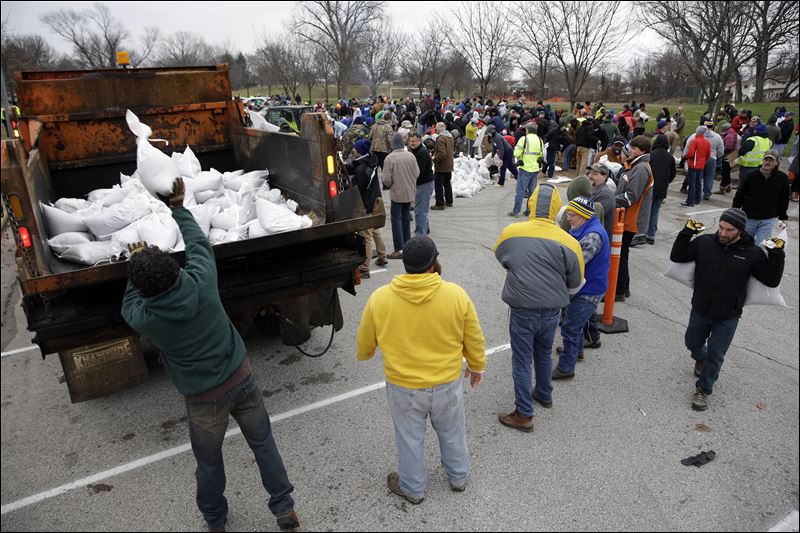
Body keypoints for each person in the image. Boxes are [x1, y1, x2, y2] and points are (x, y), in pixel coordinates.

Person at [121, 179, 300, 532]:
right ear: (176, 270)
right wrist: (178, 207)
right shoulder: (202, 280)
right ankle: (284, 509)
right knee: (263, 444)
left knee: (209, 462)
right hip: (241, 376)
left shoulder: (147, 318)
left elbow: (129, 305)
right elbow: (199, 243)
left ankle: (216, 520)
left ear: (144, 290)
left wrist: (135, 264)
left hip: (204, 399)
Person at [356, 236, 486, 504]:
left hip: (404, 387)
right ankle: (459, 478)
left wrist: (370, 352)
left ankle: (413, 489)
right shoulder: (455, 295)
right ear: (433, 264)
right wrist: (476, 366)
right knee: (453, 432)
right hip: (448, 384)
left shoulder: (380, 298)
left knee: (409, 439)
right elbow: (473, 337)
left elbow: (364, 347)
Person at [670, 209, 785, 411]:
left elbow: (771, 280)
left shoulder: (753, 253)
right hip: (700, 307)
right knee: (692, 342)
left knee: (716, 354)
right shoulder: (705, 242)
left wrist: (777, 254)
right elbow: (677, 256)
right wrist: (686, 233)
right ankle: (700, 358)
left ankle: (703, 390)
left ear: (740, 230)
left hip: (728, 315)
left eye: (729, 230)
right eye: (721, 228)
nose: (723, 233)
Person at [494, 183, 584, 432]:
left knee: (522, 359)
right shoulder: (569, 241)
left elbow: (501, 256)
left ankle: (524, 413)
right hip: (553, 309)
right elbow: (575, 283)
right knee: (543, 353)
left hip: (522, 308)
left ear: (531, 203)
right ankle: (544, 393)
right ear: (557, 208)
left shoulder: (512, 232)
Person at [553, 197, 610, 379]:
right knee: (576, 321)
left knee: (570, 327)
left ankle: (566, 368)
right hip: (585, 285)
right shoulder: (581, 227)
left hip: (589, 289)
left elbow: (577, 263)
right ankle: (577, 351)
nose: (568, 219)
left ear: (583, 216)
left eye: (571, 215)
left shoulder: (593, 236)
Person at [615, 135, 654, 302]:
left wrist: (610, 200)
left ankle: (619, 291)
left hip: (630, 219)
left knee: (620, 255)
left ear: (642, 151)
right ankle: (624, 287)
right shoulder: (635, 166)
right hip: (627, 217)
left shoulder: (641, 168)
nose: (630, 150)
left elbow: (631, 196)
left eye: (634, 148)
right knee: (622, 254)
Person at [732, 150, 790, 245]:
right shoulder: (750, 175)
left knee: (762, 245)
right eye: (766, 159)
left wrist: (783, 217)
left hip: (768, 219)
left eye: (771, 160)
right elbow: (740, 194)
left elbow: (784, 199)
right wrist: (735, 210)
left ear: (776, 163)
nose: (767, 162)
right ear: (762, 161)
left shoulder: (782, 178)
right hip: (749, 217)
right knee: (744, 243)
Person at [348, 139, 387, 278]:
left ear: (359, 151)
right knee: (375, 230)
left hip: (367, 204)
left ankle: (365, 268)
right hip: (376, 200)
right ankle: (382, 256)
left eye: (354, 148)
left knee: (366, 235)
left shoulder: (361, 169)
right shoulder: (371, 160)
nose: (353, 150)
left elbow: (357, 187)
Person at [382, 133, 419, 259]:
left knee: (396, 220)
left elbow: (386, 179)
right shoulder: (411, 156)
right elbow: (417, 173)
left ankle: (399, 248)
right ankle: (407, 246)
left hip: (397, 193)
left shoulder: (390, 158)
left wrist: (391, 183)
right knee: (405, 218)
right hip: (409, 192)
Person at [646, 134, 676, 244]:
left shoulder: (651, 155)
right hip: (662, 188)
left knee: (646, 210)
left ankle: (643, 232)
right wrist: (666, 182)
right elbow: (673, 173)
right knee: (655, 211)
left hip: (650, 186)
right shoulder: (670, 157)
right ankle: (651, 234)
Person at [508, 122, 543, 217]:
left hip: (525, 168)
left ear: (527, 130)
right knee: (532, 192)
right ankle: (529, 210)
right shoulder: (540, 140)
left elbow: (516, 153)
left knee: (520, 191)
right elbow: (540, 155)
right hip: (535, 169)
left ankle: (516, 211)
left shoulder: (524, 139)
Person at [408, 132, 435, 236]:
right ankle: (425, 228)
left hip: (424, 184)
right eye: (410, 141)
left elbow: (418, 171)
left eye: (414, 141)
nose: (412, 143)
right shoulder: (415, 150)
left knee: (420, 211)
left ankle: (420, 234)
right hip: (422, 183)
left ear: (419, 140)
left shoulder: (422, 153)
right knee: (422, 208)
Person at [682, 126, 711, 207]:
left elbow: (690, 154)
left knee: (692, 183)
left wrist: (686, 156)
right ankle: (697, 200)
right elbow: (708, 154)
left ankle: (690, 200)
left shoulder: (694, 141)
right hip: (701, 165)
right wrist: (704, 162)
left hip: (693, 164)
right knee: (698, 182)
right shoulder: (707, 142)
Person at [587, 163, 615, 237]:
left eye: (595, 174)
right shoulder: (593, 190)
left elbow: (592, 218)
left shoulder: (605, 195)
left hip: (597, 239)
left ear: (604, 177)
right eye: (590, 173)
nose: (590, 176)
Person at [431, 122, 455, 210]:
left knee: (438, 185)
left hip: (442, 166)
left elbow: (441, 153)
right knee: (447, 183)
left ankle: (439, 203)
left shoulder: (440, 139)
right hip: (449, 164)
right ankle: (449, 201)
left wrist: (434, 160)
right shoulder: (450, 137)